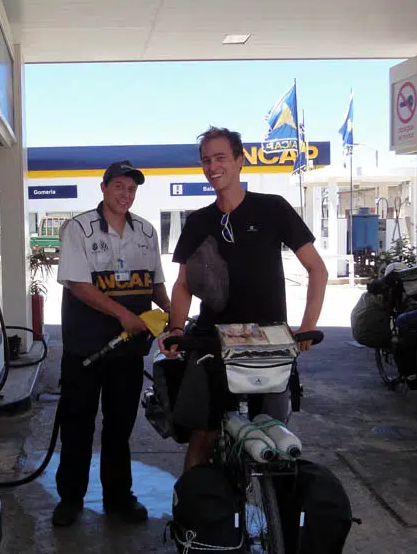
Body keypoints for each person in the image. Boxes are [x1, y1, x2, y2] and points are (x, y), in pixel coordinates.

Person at [160, 126, 328, 471]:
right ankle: (191, 502)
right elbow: (183, 284)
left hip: (269, 342)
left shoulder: (272, 208)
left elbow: (317, 269)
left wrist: (307, 326)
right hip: (212, 342)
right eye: (206, 160)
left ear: (240, 160)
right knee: (204, 435)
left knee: (274, 440)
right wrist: (176, 328)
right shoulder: (199, 221)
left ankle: (270, 506)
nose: (212, 166)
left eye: (220, 157)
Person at [52, 160, 171, 526]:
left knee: (120, 426)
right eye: (119, 186)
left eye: (132, 189)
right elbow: (78, 284)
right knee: (78, 424)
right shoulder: (79, 229)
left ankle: (118, 497)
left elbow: (155, 283)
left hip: (128, 351)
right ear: (103, 188)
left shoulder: (146, 231)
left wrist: (175, 316)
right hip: (85, 348)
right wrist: (122, 315)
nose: (126, 194)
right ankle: (71, 498)